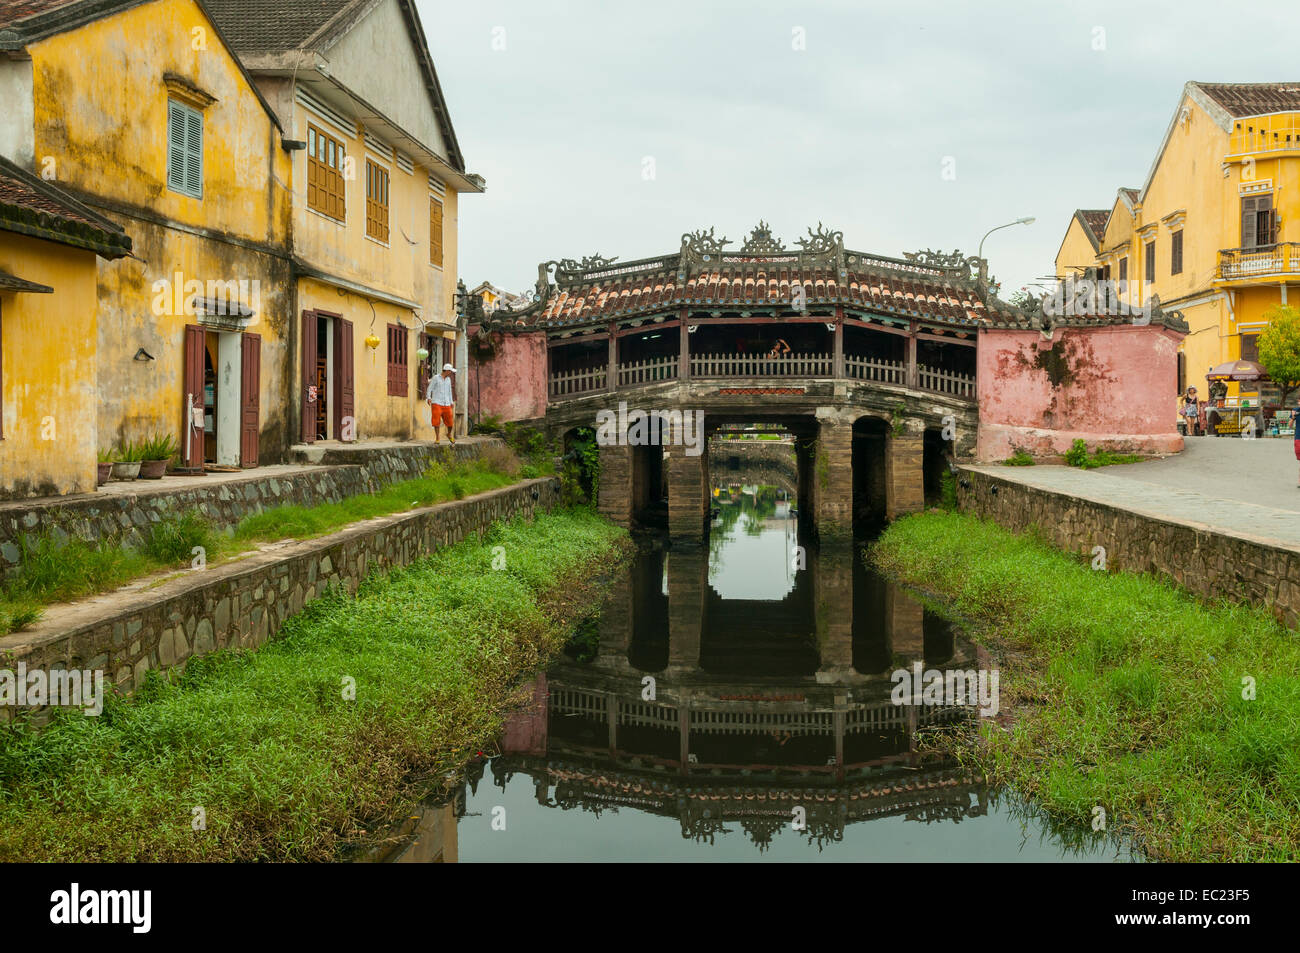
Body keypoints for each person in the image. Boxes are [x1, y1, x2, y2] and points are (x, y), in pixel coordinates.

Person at [425, 362, 456, 445]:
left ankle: (449, 434)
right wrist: (428, 398)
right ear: (447, 371)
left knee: (450, 422)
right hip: (436, 402)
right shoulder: (436, 378)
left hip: (446, 403)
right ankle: (437, 438)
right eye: (450, 371)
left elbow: (449, 391)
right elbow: (429, 388)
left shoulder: (448, 380)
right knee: (436, 421)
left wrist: (451, 401)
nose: (451, 373)